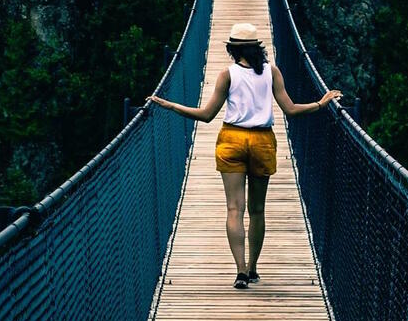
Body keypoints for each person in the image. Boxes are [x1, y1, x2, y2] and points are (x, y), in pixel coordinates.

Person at [146, 22, 342, 289]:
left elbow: (206, 115)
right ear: (257, 48)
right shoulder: (272, 72)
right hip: (262, 141)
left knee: (234, 209)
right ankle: (252, 268)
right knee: (257, 210)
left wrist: (170, 105)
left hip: (232, 140)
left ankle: (240, 272)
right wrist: (321, 103)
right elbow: (291, 109)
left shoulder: (227, 75)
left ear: (231, 49)